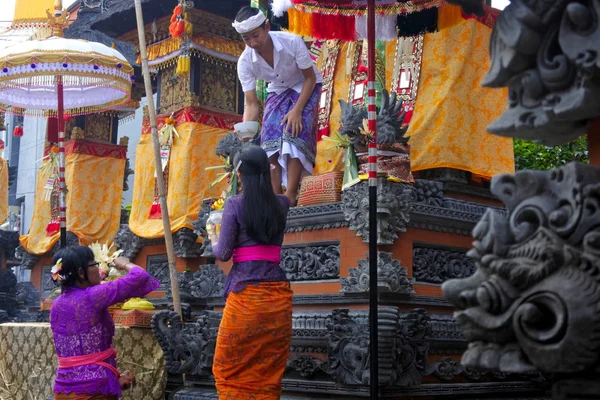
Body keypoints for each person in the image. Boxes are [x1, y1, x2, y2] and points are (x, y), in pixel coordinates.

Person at [210, 145, 292, 399]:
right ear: (267, 173)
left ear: (240, 175)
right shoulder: (282, 204)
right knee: (267, 374)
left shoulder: (235, 204)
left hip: (245, 298)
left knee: (228, 368)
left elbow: (222, 253)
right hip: (278, 300)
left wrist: (212, 235)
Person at [233, 6, 323, 206]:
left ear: (267, 26)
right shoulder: (244, 61)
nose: (253, 43)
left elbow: (309, 78)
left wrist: (297, 110)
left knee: (293, 132)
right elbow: (251, 102)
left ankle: (290, 196)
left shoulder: (292, 42)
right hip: (277, 89)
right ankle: (276, 198)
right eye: (246, 39)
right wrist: (245, 129)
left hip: (305, 85)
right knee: (270, 141)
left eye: (255, 35)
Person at [49, 246, 159, 400]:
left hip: (63, 390)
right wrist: (124, 263)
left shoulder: (56, 303)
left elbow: (83, 356)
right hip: (93, 390)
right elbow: (140, 276)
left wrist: (115, 379)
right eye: (95, 265)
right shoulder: (92, 296)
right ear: (81, 272)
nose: (98, 269)